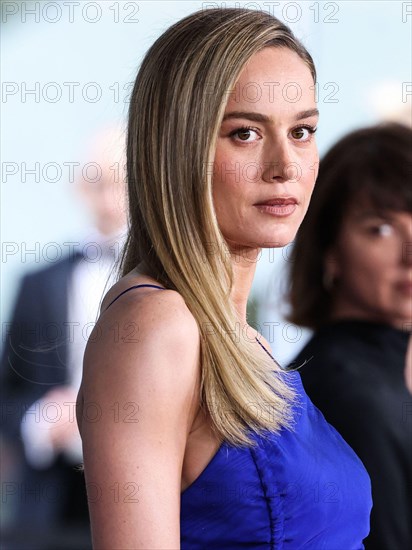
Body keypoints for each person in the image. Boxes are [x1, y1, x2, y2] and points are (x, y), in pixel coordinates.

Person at [76, 8, 372, 549]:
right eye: (245, 133)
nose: (285, 165)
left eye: (302, 131)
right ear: (178, 147)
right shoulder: (154, 326)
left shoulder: (247, 344)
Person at [287, 122, 412, 550]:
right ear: (330, 251)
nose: (411, 251)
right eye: (381, 228)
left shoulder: (385, 369)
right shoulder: (348, 390)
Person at [0, 127, 127, 548]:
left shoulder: (170, 283)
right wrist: (40, 418)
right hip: (47, 502)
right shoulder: (38, 283)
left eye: (120, 180)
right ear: (78, 187)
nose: (109, 196)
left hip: (140, 492)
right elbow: (7, 394)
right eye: (97, 181)